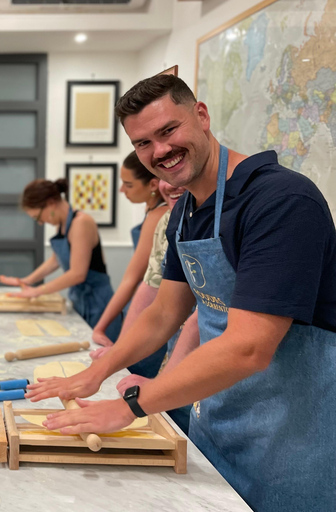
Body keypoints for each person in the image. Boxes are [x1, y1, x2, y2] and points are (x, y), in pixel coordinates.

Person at [25, 74, 336, 512]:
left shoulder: (280, 201)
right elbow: (163, 314)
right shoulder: (186, 211)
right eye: (142, 143)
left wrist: (131, 406)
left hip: (290, 437)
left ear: (202, 116)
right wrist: (100, 370)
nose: (159, 151)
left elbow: (249, 347)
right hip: (219, 419)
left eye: (168, 131)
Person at [97, 177, 198, 434]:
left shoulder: (224, 218)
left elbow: (202, 316)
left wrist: (161, 385)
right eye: (164, 177)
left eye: (128, 183)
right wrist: (117, 352)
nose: (170, 185)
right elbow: (151, 290)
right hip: (175, 350)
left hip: (208, 362)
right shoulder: (169, 220)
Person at [0, 178, 121, 339]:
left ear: (50, 203)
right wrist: (26, 281)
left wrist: (37, 291)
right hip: (79, 299)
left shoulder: (81, 223)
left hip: (99, 303)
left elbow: (77, 274)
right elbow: (56, 260)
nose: (41, 223)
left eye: (38, 217)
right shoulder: (63, 224)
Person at [91, 151, 168, 378]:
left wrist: (100, 327)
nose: (121, 191)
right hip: (139, 309)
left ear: (153, 184)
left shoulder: (158, 215)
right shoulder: (151, 210)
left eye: (128, 185)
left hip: (150, 314)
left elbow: (133, 278)